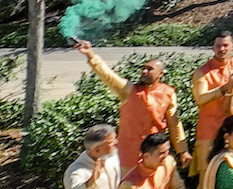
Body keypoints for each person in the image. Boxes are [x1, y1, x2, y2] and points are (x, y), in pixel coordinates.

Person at [74, 41, 183, 169]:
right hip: (128, 154)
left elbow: (174, 123)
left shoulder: (168, 93)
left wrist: (182, 150)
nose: (144, 71)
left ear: (160, 74)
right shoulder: (129, 90)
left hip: (154, 153)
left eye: (149, 69)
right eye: (144, 68)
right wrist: (90, 54)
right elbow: (107, 75)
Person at [189, 32, 233, 174]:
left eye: (225, 45)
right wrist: (224, 89)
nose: (221, 49)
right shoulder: (202, 72)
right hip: (209, 132)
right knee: (208, 175)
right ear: (213, 48)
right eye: (218, 46)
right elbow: (200, 98)